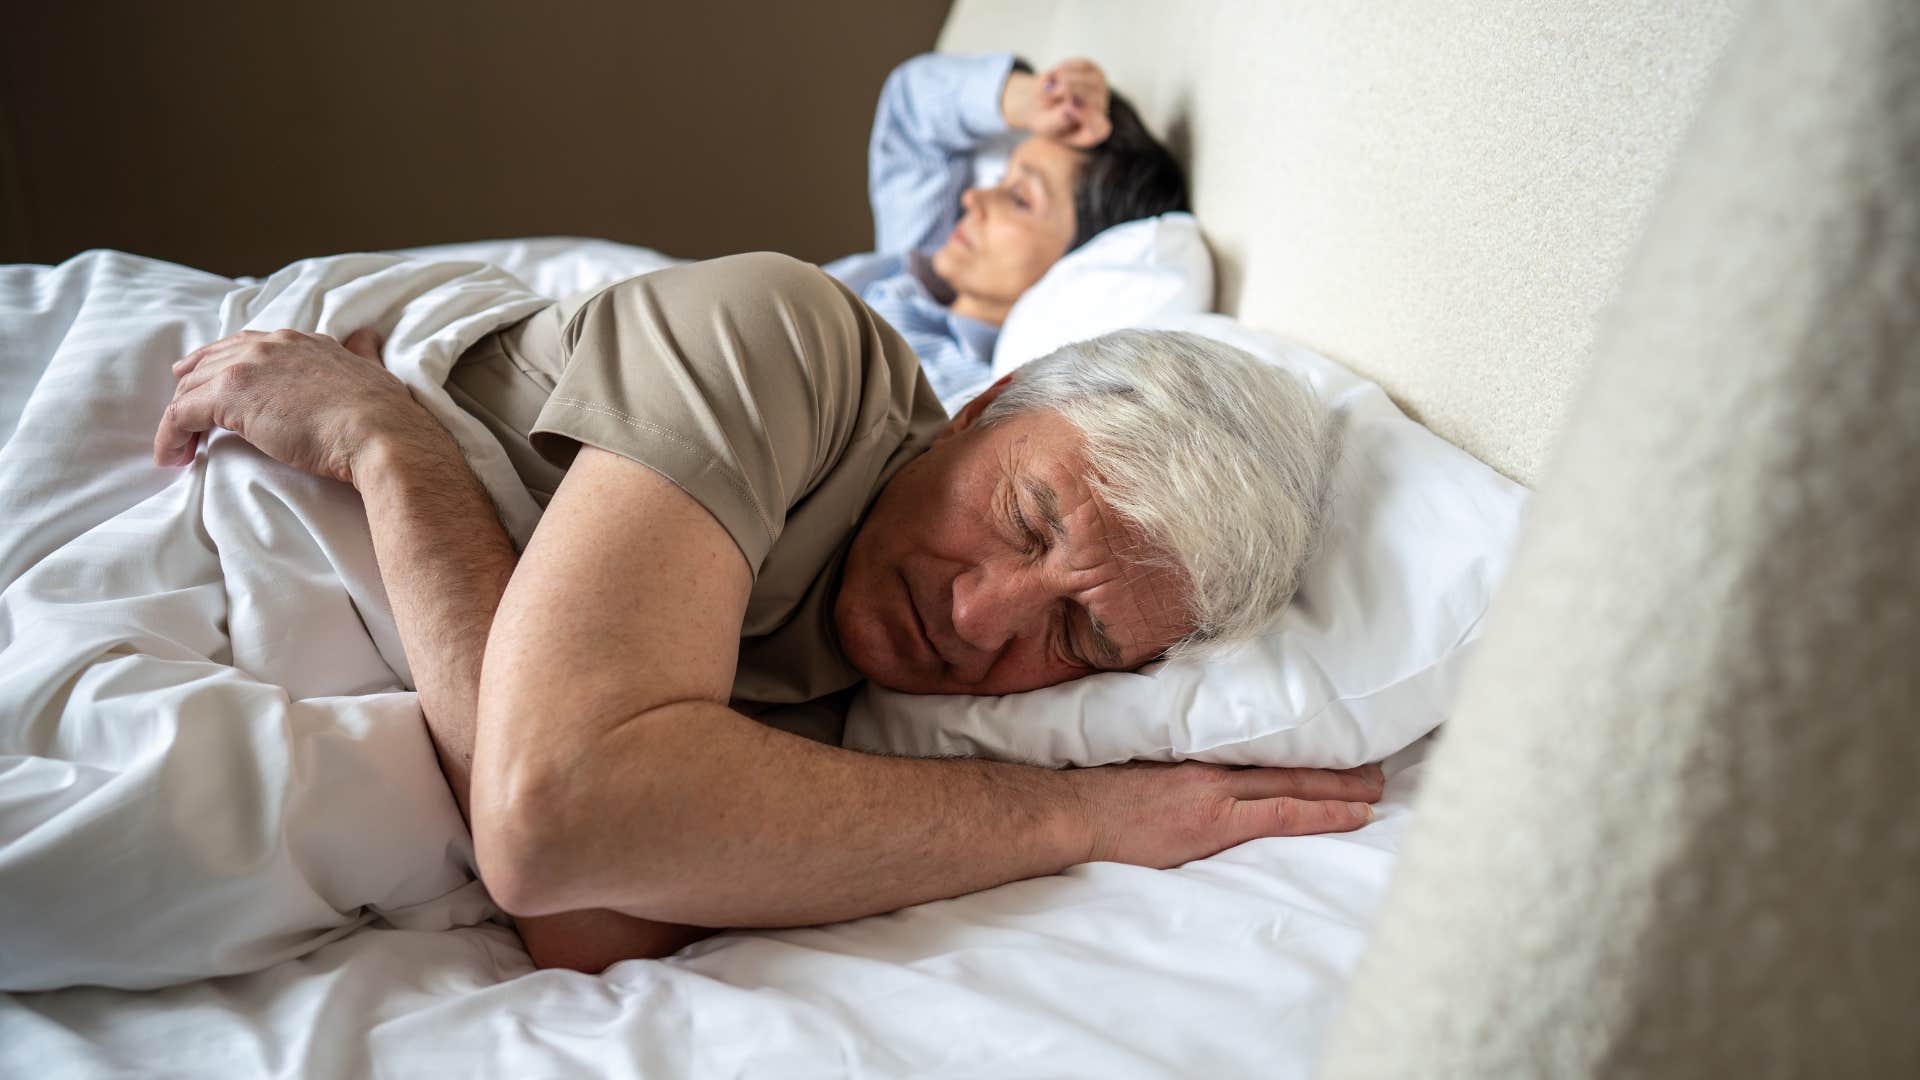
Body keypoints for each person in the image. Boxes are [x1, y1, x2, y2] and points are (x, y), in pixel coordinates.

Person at [151, 253, 1356, 975]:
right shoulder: (795, 342)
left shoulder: (861, 728)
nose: (981, 619)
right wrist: (392, 433)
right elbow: (555, 813)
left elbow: (586, 923)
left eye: (1076, 640)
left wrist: (392, 464)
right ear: (984, 405)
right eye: (1026, 519)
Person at [824, 52, 1189, 404]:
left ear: (1073, 264)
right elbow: (909, 109)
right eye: (1001, 177)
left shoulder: (953, 399)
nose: (973, 198)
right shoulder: (922, 264)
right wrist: (1032, 101)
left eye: (1019, 198)